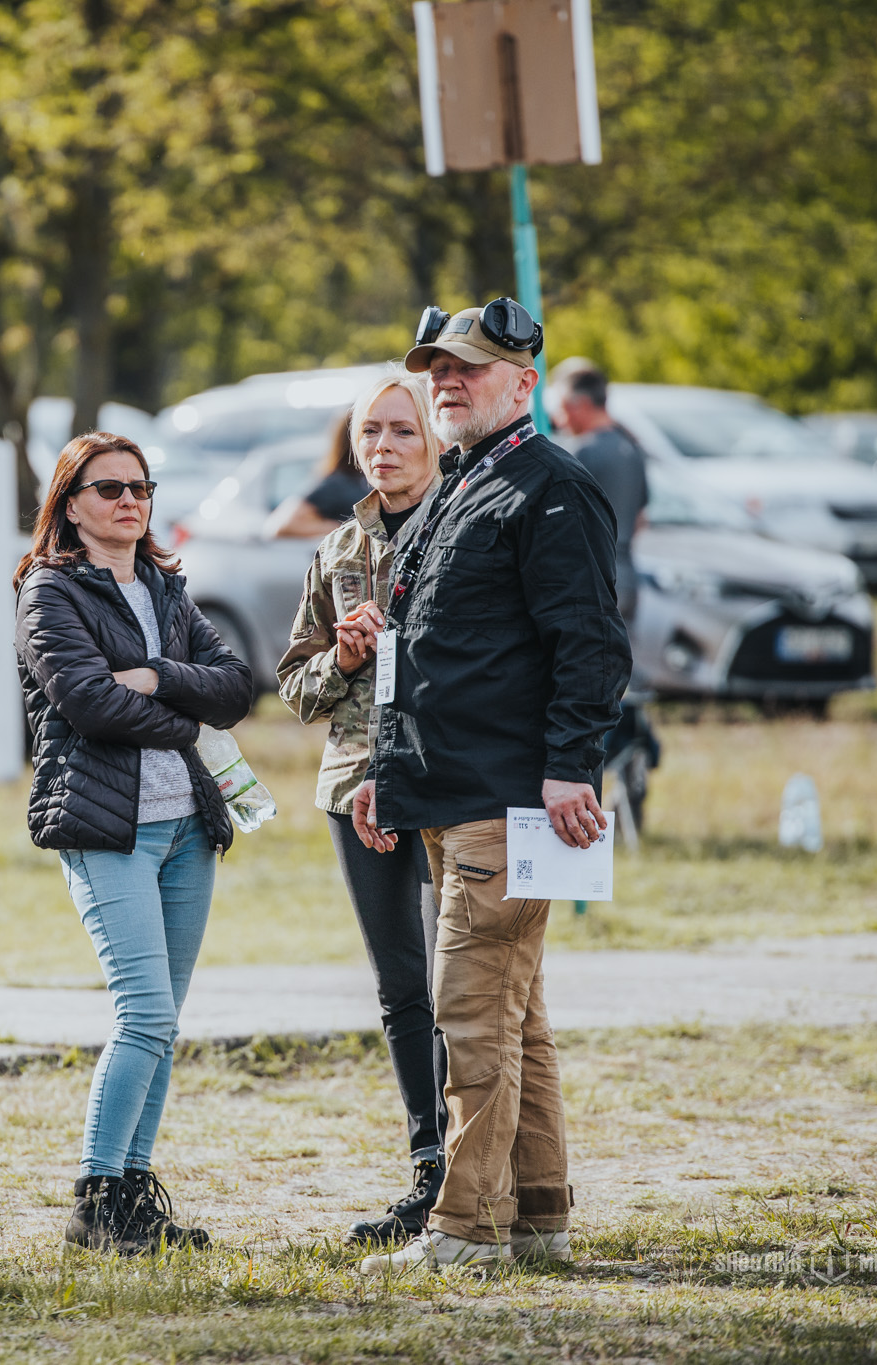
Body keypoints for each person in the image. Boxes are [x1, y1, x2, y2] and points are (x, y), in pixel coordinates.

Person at [350, 299, 630, 1274]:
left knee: (470, 1019)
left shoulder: (550, 487)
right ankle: (538, 1216)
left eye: (466, 367)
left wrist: (568, 768)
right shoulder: (466, 481)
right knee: (517, 1020)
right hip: (449, 793)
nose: (445, 382)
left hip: (506, 803)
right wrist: (384, 770)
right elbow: (424, 652)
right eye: (437, 368)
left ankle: (466, 1230)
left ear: (523, 382)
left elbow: (590, 644)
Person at [13, 432, 253, 1255]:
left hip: (188, 828)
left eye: (140, 488)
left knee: (163, 1023)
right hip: (107, 827)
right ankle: (93, 1201)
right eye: (109, 487)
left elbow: (237, 687)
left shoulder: (165, 587)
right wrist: (187, 715)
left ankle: (131, 1193)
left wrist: (156, 677)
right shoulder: (49, 592)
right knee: (142, 1013)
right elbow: (87, 703)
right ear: (70, 503)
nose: (129, 501)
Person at [275, 371, 451, 1245]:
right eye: (369, 433)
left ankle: (480, 1173)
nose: (383, 446)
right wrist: (342, 660)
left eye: (402, 430)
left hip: (448, 787)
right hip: (354, 792)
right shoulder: (340, 550)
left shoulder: (463, 528)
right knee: (401, 987)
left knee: (465, 986)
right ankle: (429, 1172)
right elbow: (294, 689)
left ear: (436, 440)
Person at [549, 357, 648, 625]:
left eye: (561, 408)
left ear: (580, 404)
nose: (557, 419)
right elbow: (640, 520)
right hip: (626, 580)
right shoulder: (631, 447)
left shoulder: (579, 454)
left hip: (590, 586)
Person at [266, 415, 370, 538]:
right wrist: (343, 529)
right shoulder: (338, 483)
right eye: (370, 431)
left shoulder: (366, 481)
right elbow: (282, 525)